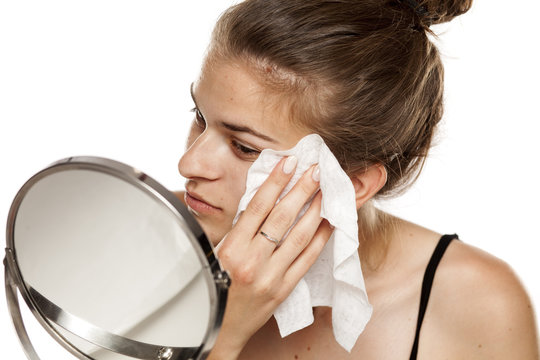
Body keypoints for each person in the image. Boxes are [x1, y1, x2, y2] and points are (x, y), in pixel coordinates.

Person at [175, 0, 540, 358]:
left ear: (352, 185)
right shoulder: (147, 232)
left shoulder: (478, 304)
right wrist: (221, 335)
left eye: (243, 147)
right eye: (199, 117)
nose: (189, 163)